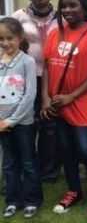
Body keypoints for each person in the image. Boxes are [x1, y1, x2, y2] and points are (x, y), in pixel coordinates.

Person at [41, 0, 87, 219]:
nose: (68, 10)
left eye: (73, 5)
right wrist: (46, 99)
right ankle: (74, 191)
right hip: (56, 104)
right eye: (64, 6)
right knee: (66, 150)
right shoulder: (54, 34)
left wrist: (72, 96)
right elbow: (47, 68)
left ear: (85, 8)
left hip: (80, 103)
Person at [12, 0, 59, 182]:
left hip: (54, 78)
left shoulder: (62, 16)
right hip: (25, 79)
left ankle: (49, 170)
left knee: (49, 125)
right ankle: (27, 167)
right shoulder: (18, 17)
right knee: (26, 123)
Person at [0, 17, 43, 219]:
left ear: (19, 38)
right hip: (2, 124)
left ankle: (32, 200)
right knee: (9, 163)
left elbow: (29, 96)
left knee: (27, 162)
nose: (6, 43)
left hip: (23, 123)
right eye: (1, 39)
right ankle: (12, 200)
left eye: (10, 38)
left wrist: (12, 120)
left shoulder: (27, 61)